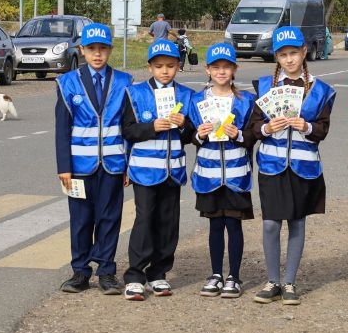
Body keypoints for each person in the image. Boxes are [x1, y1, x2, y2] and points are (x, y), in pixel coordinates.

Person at [249, 26, 336, 306]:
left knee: (297, 222)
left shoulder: (320, 90)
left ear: (304, 52)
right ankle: (272, 280)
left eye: (294, 53)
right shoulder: (264, 86)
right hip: (272, 165)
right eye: (283, 55)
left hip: (304, 166)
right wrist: (265, 127)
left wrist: (307, 126)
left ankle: (290, 282)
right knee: (271, 224)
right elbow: (252, 127)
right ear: (276, 57)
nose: (289, 60)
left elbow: (322, 130)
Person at [54, 22, 133, 295]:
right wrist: (64, 166)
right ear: (82, 50)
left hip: (112, 163)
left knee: (110, 218)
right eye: (91, 49)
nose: (97, 54)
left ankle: (107, 271)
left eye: (102, 49)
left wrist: (128, 164)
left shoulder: (124, 82)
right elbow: (62, 129)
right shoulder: (68, 83)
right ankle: (80, 271)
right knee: (81, 220)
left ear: (110, 50)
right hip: (79, 166)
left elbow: (128, 127)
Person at [121, 39, 196, 300]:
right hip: (143, 169)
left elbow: (192, 136)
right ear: (150, 67)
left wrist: (184, 124)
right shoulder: (135, 93)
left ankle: (159, 273)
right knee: (144, 219)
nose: (165, 71)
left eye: (171, 66)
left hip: (172, 170)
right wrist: (152, 126)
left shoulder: (186, 95)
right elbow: (128, 130)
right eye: (159, 66)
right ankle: (135, 275)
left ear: (178, 66)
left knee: (168, 221)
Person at [188, 42, 257, 299]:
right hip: (208, 174)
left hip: (237, 174)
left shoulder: (246, 100)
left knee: (234, 224)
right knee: (215, 225)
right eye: (216, 67)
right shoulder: (197, 100)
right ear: (207, 70)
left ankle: (234, 277)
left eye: (226, 67)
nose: (221, 72)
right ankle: (216, 273)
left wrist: (239, 134)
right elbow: (189, 135)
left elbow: (253, 134)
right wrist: (199, 134)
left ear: (235, 69)